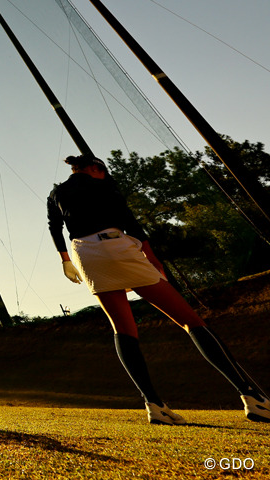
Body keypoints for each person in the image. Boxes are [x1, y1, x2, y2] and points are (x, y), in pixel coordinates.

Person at [48, 153, 270, 425]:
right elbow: (130, 221)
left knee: (123, 329)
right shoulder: (104, 185)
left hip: (85, 253)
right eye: (103, 172)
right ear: (95, 169)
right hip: (116, 245)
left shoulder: (56, 192)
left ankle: (154, 405)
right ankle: (252, 396)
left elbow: (55, 226)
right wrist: (152, 258)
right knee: (191, 321)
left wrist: (66, 261)